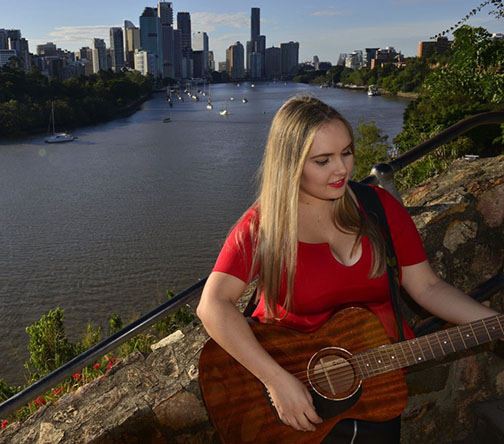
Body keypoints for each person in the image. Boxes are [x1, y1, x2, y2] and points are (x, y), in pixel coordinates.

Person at [196, 95, 499, 442]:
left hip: (377, 384)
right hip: (295, 390)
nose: (342, 169)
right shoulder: (264, 227)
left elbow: (427, 286)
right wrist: (277, 381)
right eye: (323, 161)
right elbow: (213, 305)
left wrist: (495, 325)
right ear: (290, 164)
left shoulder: (378, 207)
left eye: (347, 152)